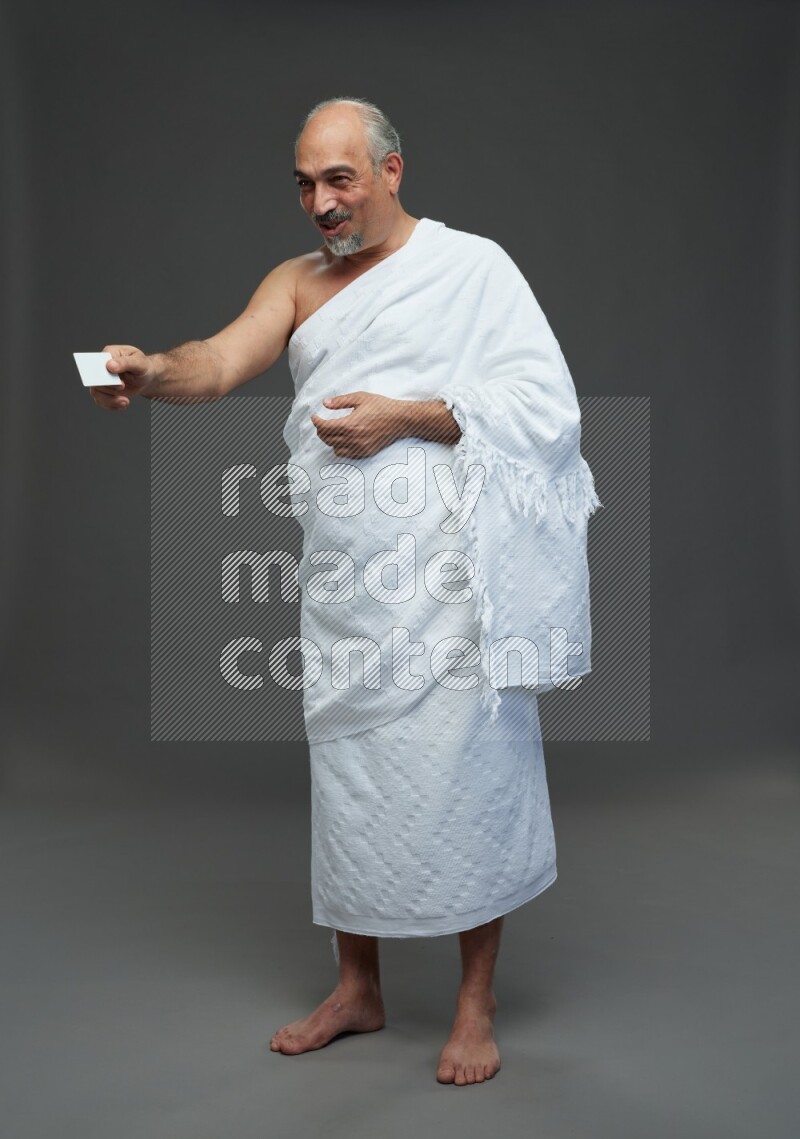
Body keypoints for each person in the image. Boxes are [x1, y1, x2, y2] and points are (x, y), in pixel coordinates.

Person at [90, 96, 600, 1086]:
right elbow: (217, 361)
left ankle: (471, 1000)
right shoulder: (295, 283)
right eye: (305, 183)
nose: (321, 202)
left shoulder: (473, 269)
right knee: (355, 780)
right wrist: (147, 371)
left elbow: (546, 409)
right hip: (345, 581)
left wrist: (405, 417)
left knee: (468, 775)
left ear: (391, 171)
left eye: (340, 178)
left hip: (448, 583)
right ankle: (356, 987)